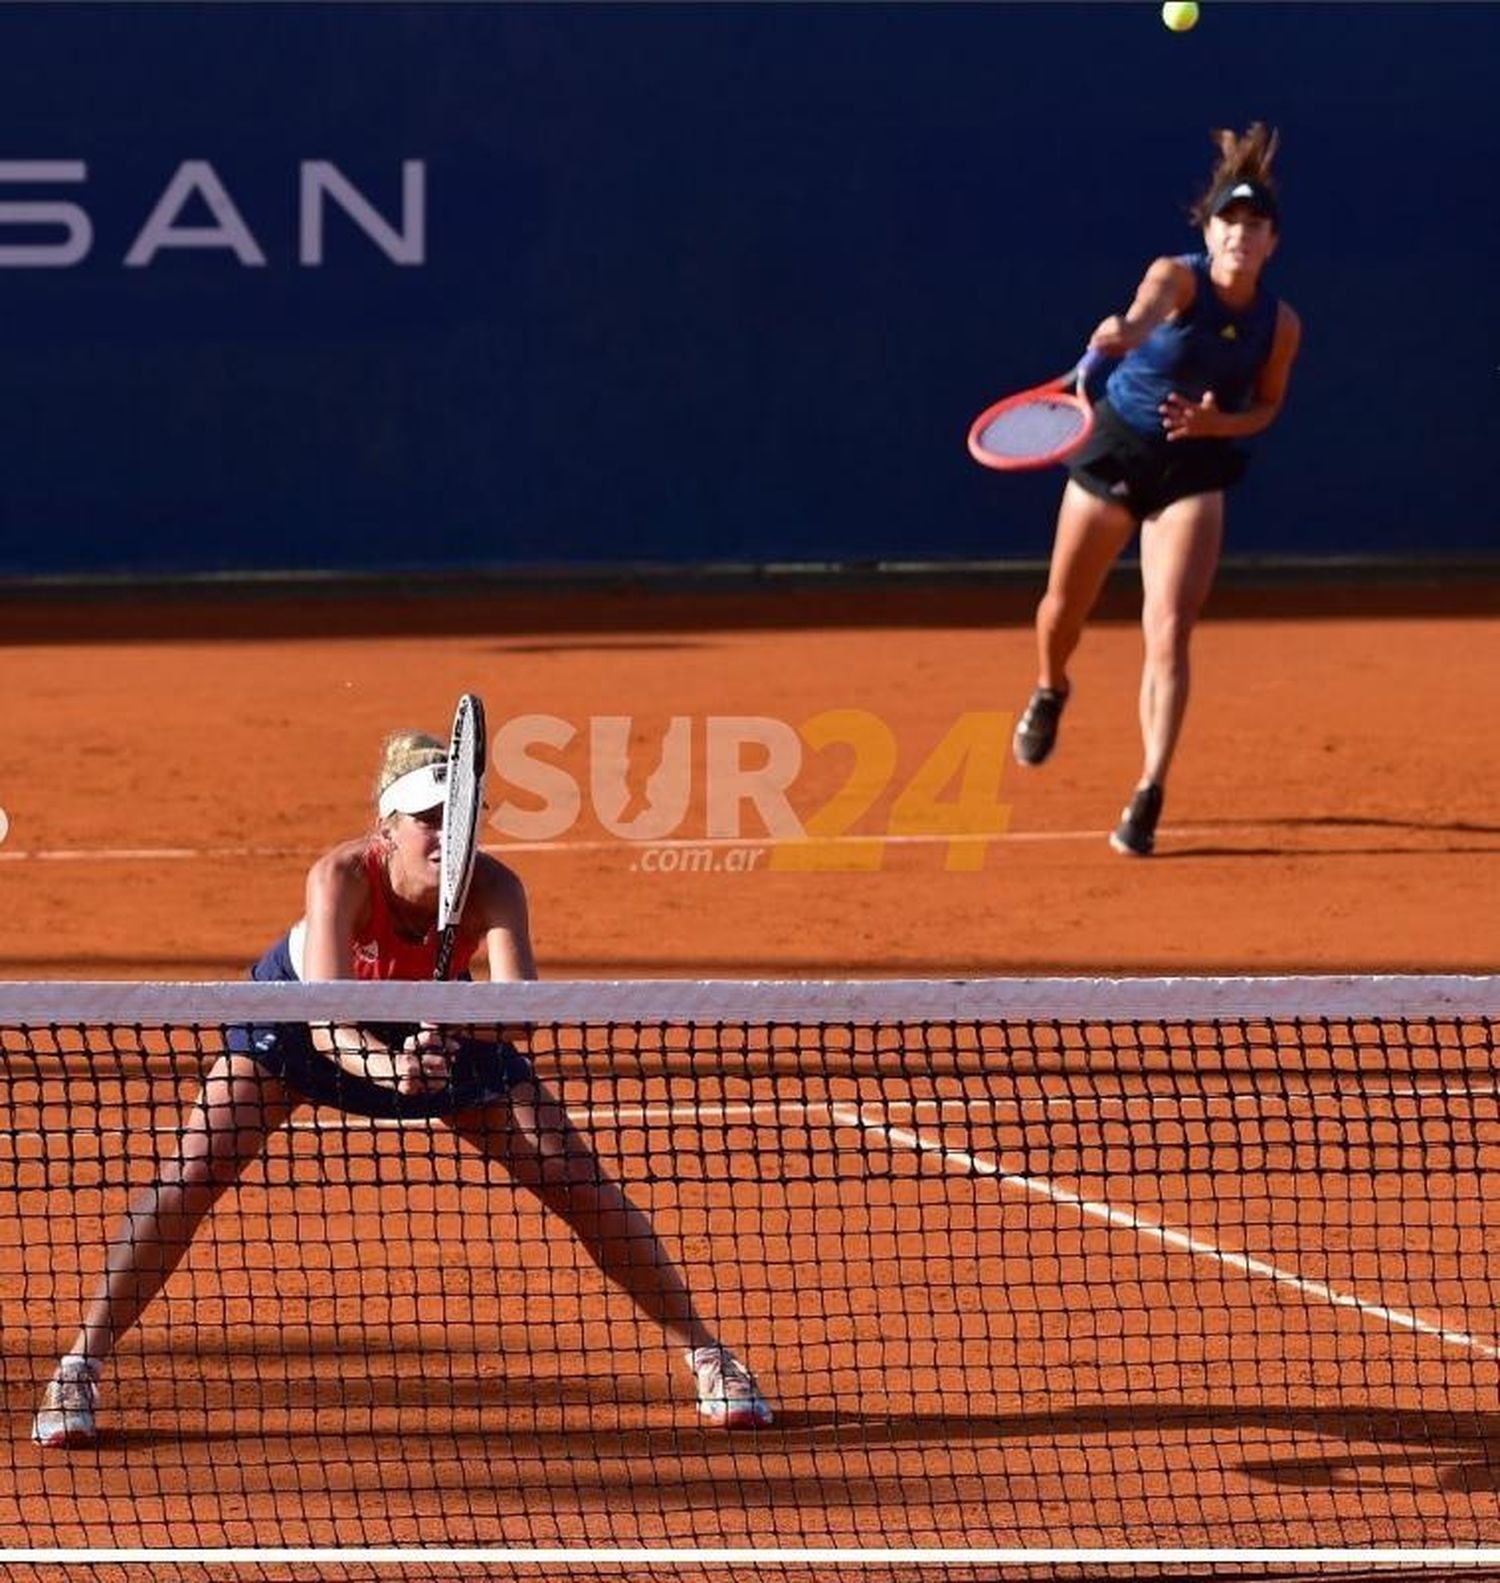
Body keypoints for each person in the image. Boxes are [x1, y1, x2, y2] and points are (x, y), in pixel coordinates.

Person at [33, 729, 773, 1447]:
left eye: (459, 817)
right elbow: (325, 1023)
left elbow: (522, 1015)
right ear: (385, 826)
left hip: (441, 1019)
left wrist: (459, 1032)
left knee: (575, 1178)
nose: (446, 834)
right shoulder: (342, 876)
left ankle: (709, 1355)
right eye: (427, 818)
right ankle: (79, 1366)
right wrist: (395, 1068)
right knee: (194, 1172)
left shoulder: (495, 885)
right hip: (304, 1018)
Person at [1012, 124, 1302, 856]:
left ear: (1272, 242)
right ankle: (1051, 687)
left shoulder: (1281, 326)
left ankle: (1149, 789)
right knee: (1060, 610)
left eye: (1255, 225)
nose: (1240, 235)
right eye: (1228, 222)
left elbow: (1267, 406)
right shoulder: (1176, 278)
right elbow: (1142, 312)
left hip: (1194, 464)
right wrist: (1125, 329)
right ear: (1208, 232)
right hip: (1118, 446)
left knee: (1170, 627)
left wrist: (1219, 424)